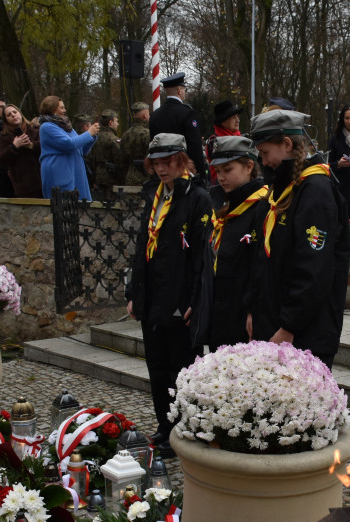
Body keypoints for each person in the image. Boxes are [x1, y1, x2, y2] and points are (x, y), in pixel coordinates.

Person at [126, 133, 212, 456]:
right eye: (156, 163)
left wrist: (194, 300)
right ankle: (165, 426)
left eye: (167, 163)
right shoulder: (155, 195)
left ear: (181, 160)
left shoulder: (198, 198)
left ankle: (184, 428)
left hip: (179, 300)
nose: (161, 170)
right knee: (157, 368)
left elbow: (201, 256)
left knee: (182, 371)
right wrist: (135, 292)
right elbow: (141, 246)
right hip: (153, 299)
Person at [248, 109, 350, 368]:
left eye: (265, 153)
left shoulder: (315, 192)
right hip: (275, 326)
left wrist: (289, 327)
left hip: (302, 335)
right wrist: (254, 312)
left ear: (287, 145)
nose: (263, 161)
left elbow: (314, 269)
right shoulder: (283, 188)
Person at [194, 135, 268, 350]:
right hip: (219, 313)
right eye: (218, 171)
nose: (221, 177)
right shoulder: (223, 205)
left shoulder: (261, 206)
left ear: (249, 167)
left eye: (228, 170)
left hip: (243, 317)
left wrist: (253, 309)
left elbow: (260, 267)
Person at [148, 72, 209, 184]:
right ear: (179, 90)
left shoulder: (155, 115)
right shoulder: (187, 113)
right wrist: (200, 174)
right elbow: (194, 147)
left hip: (161, 171)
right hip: (182, 171)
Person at [38, 95, 99, 200]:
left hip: (76, 172)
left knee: (81, 209)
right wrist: (88, 133)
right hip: (60, 173)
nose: (64, 110)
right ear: (52, 109)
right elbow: (68, 144)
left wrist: (91, 137)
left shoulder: (66, 126)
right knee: (64, 209)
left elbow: (81, 150)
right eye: (61, 107)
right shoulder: (47, 127)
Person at [0, 103, 43, 198]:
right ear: (6, 120)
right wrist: (14, 146)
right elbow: (1, 160)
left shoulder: (36, 129)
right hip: (24, 186)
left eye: (15, 112)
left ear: (20, 113)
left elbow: (48, 146)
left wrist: (31, 145)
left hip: (44, 179)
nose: (13, 115)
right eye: (9, 115)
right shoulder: (5, 137)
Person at [87, 109, 124, 201]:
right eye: (116, 121)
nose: (118, 124)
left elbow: (90, 158)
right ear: (110, 122)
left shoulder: (94, 138)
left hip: (98, 176)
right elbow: (119, 160)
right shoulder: (113, 139)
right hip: (111, 177)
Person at [205, 100, 243, 185]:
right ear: (222, 121)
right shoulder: (213, 142)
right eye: (233, 117)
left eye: (237, 117)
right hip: (221, 186)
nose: (238, 120)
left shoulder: (241, 138)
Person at [120, 102, 151, 186]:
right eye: (148, 114)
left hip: (129, 175)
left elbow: (122, 159)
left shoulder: (125, 134)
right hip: (145, 176)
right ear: (144, 116)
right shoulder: (147, 134)